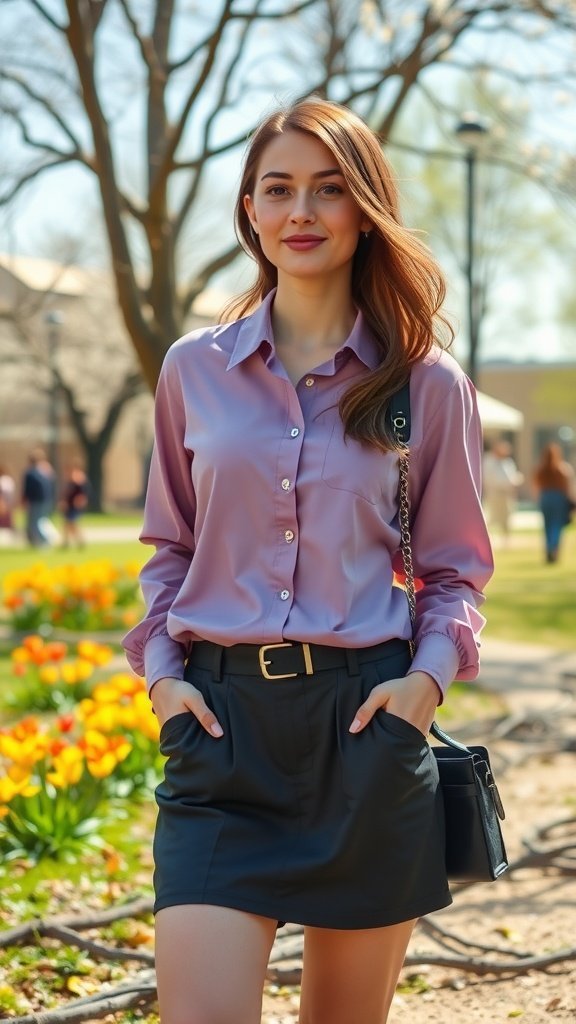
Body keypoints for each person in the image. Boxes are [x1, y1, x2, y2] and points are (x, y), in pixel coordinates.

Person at [122, 98, 493, 1024]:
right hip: (220, 738)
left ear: (364, 207)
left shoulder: (425, 384)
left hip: (367, 732)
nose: (302, 211)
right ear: (249, 208)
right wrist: (165, 680)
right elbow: (169, 546)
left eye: (329, 190)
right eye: (278, 188)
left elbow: (455, 569)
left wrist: (424, 687)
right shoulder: (191, 370)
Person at [532, 442, 575, 563]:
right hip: (559, 498)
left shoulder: (540, 469)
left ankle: (548, 549)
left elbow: (536, 486)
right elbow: (568, 486)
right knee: (557, 525)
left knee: (547, 526)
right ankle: (554, 549)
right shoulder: (563, 468)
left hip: (545, 497)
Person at [482, 439, 524, 544]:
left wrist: (515, 481)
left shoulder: (508, 462)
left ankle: (506, 540)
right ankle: (487, 539)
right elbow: (488, 479)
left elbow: (512, 476)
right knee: (491, 517)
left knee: (507, 517)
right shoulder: (488, 461)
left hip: (507, 494)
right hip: (494, 494)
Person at [21, 448, 57, 547]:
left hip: (36, 500)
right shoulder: (46, 471)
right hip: (46, 500)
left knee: (35, 522)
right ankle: (37, 541)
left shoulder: (31, 473)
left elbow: (28, 489)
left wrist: (24, 500)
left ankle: (43, 540)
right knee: (42, 521)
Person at [60, 460, 90, 548]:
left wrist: (80, 500)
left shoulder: (78, 478)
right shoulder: (72, 478)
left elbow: (83, 492)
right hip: (70, 504)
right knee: (67, 523)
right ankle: (66, 542)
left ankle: (80, 541)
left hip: (75, 504)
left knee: (72, 523)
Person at [0, 463, 17, 545]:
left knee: (4, 520)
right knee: (8, 519)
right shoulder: (9, 479)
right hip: (9, 502)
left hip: (4, 501)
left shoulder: (3, 480)